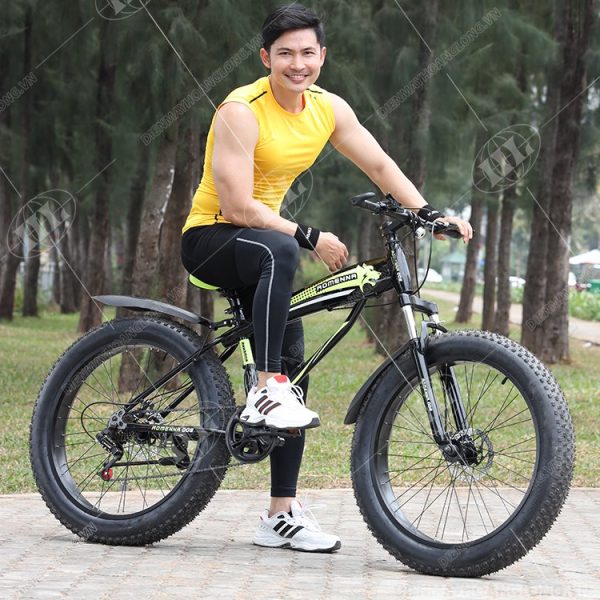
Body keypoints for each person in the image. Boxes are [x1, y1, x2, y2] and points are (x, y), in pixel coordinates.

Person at [181, 4, 473, 553]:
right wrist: (308, 234)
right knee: (281, 251)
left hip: (261, 245)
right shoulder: (240, 111)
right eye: (285, 54)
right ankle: (264, 388)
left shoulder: (328, 109)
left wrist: (428, 213)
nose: (298, 64)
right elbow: (238, 207)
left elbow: (380, 166)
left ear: (322, 57)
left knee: (296, 364)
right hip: (212, 238)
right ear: (265, 58)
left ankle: (280, 513)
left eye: (307, 53)